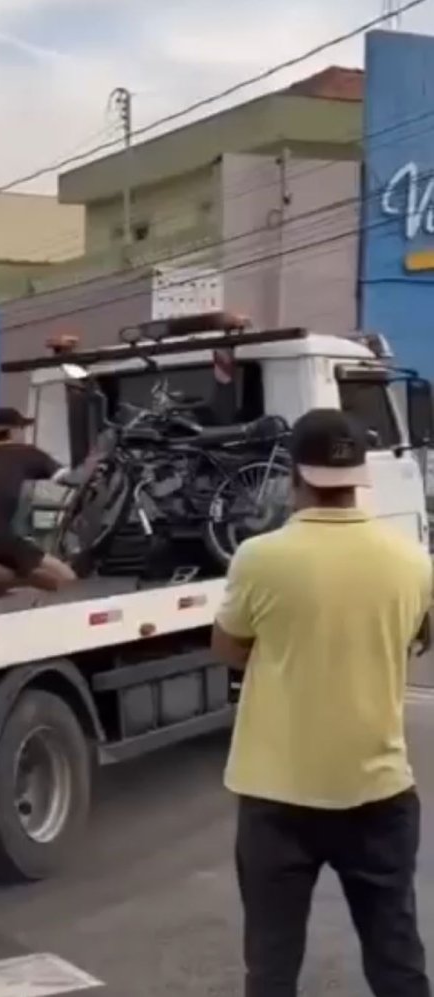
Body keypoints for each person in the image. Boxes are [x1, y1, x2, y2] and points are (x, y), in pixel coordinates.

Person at [211, 408, 433, 997]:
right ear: (362, 475)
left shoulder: (260, 557)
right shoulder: (413, 561)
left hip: (276, 796)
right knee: (396, 959)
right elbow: (423, 635)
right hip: (378, 791)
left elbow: (229, 648)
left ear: (294, 476)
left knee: (273, 967)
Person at [0, 407, 79, 595]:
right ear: (13, 431)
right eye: (22, 428)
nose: (24, 434)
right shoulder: (26, 453)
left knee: (34, 574)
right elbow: (70, 479)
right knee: (67, 579)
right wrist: (95, 465)